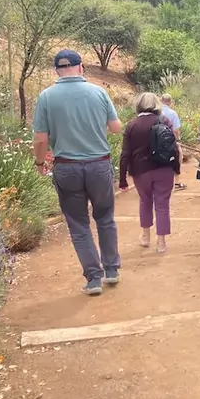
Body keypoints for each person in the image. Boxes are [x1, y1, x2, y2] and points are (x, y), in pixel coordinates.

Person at [32, 50, 122, 296]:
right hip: (99, 165)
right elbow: (116, 128)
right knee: (105, 218)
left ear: (57, 70)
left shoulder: (46, 97)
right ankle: (111, 270)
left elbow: (40, 139)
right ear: (81, 67)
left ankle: (93, 279)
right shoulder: (99, 92)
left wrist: (40, 162)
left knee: (78, 224)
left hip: (67, 167)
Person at [119, 93, 180, 254]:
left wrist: (122, 179)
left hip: (141, 171)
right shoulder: (164, 121)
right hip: (164, 169)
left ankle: (146, 236)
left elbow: (125, 154)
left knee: (145, 201)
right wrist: (176, 169)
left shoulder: (132, 125)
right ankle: (161, 243)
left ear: (138, 105)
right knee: (162, 205)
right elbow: (173, 146)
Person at [160, 93, 187, 191]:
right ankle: (176, 182)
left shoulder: (156, 113)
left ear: (161, 101)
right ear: (170, 102)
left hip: (158, 141)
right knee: (178, 158)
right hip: (170, 140)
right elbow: (175, 130)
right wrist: (178, 140)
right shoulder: (172, 113)